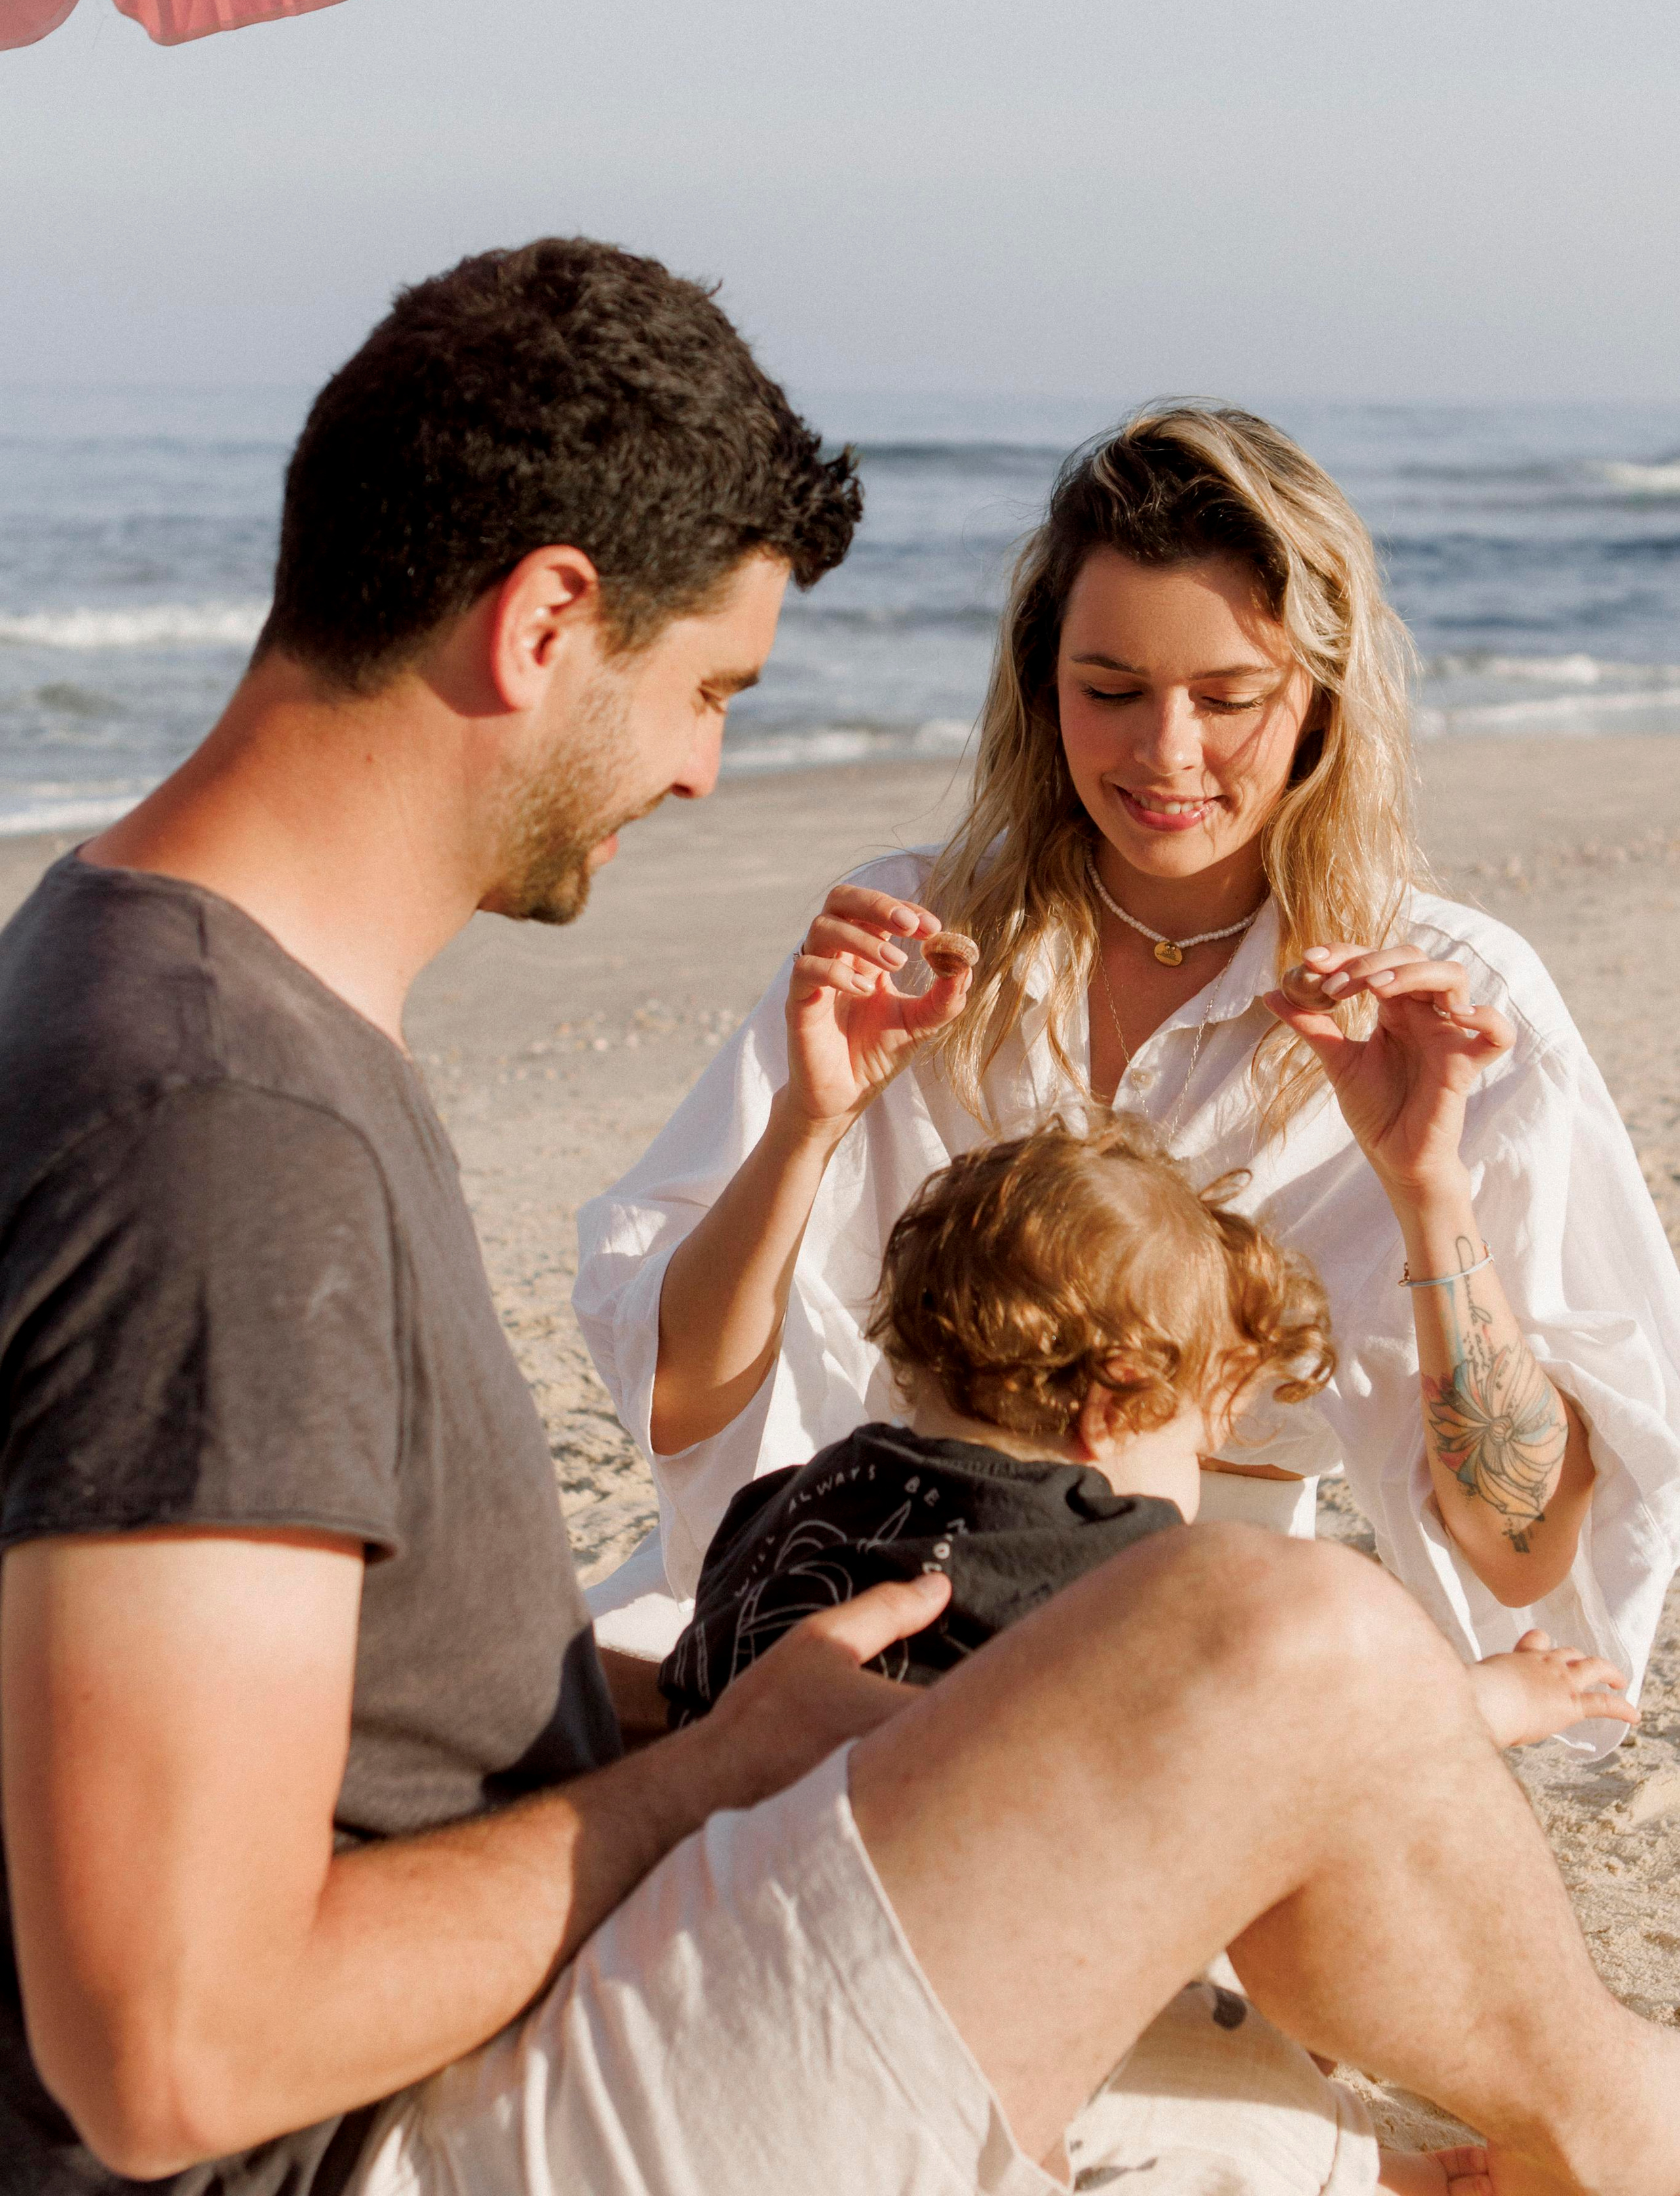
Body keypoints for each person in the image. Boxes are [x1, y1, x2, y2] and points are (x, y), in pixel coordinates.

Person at [5, 252, 1679, 2196]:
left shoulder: (166, 996)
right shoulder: (231, 1118)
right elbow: (175, 2054)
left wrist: (707, 1714)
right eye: (712, 687)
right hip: (418, 2124)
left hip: (613, 1888)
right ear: (553, 621)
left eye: (1232, 698)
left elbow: (365, 1736)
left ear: (1320, 706)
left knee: (1387, 2015)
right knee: (1295, 1651)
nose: (709, 765)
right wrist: (714, 1761)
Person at [575, 407, 1680, 1753]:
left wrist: (1426, 1189)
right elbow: (683, 1404)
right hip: (837, 1578)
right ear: (1043, 687)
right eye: (1109, 691)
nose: (1162, 753)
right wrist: (811, 1123)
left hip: (1196, 1655)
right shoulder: (913, 935)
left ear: (1319, 701)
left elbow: (1514, 1555)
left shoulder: (1450, 1002)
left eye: (1225, 700)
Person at [658, 1112, 1636, 1762]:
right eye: (1198, 1441)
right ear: (1114, 1406)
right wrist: (1497, 1703)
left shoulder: (778, 1503)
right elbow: (1309, 1738)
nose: (1198, 1474)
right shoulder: (1119, 1567)